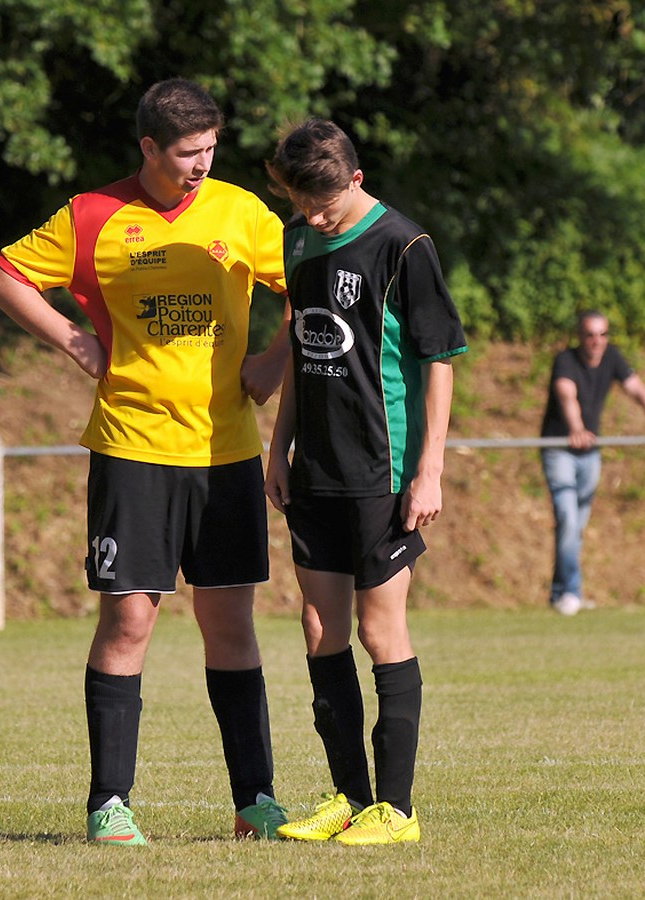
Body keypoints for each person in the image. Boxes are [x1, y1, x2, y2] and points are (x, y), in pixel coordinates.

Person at [0, 78, 292, 845]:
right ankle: (108, 805)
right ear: (148, 147)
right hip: (132, 448)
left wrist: (274, 357)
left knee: (231, 625)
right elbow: (1, 275)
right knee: (127, 621)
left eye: (210, 148)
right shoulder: (92, 215)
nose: (201, 164)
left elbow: (311, 286)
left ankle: (255, 802)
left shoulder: (241, 212)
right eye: (186, 152)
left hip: (224, 452)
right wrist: (71, 339)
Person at [263, 118, 467, 845]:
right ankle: (349, 799)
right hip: (315, 468)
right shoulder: (297, 241)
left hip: (384, 470)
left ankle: (397, 810)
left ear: (355, 179)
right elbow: (302, 347)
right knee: (320, 628)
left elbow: (439, 359)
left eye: (322, 205)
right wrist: (279, 448)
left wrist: (428, 471)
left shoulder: (403, 245)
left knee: (379, 630)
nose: (312, 218)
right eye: (299, 205)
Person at [539, 311, 645, 615]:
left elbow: (639, 392)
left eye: (602, 334)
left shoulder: (613, 358)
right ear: (580, 336)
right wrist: (577, 428)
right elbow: (567, 395)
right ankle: (570, 592)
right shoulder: (565, 360)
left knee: (576, 526)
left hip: (590, 453)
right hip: (559, 450)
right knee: (568, 519)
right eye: (590, 335)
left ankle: (561, 592)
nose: (597, 341)